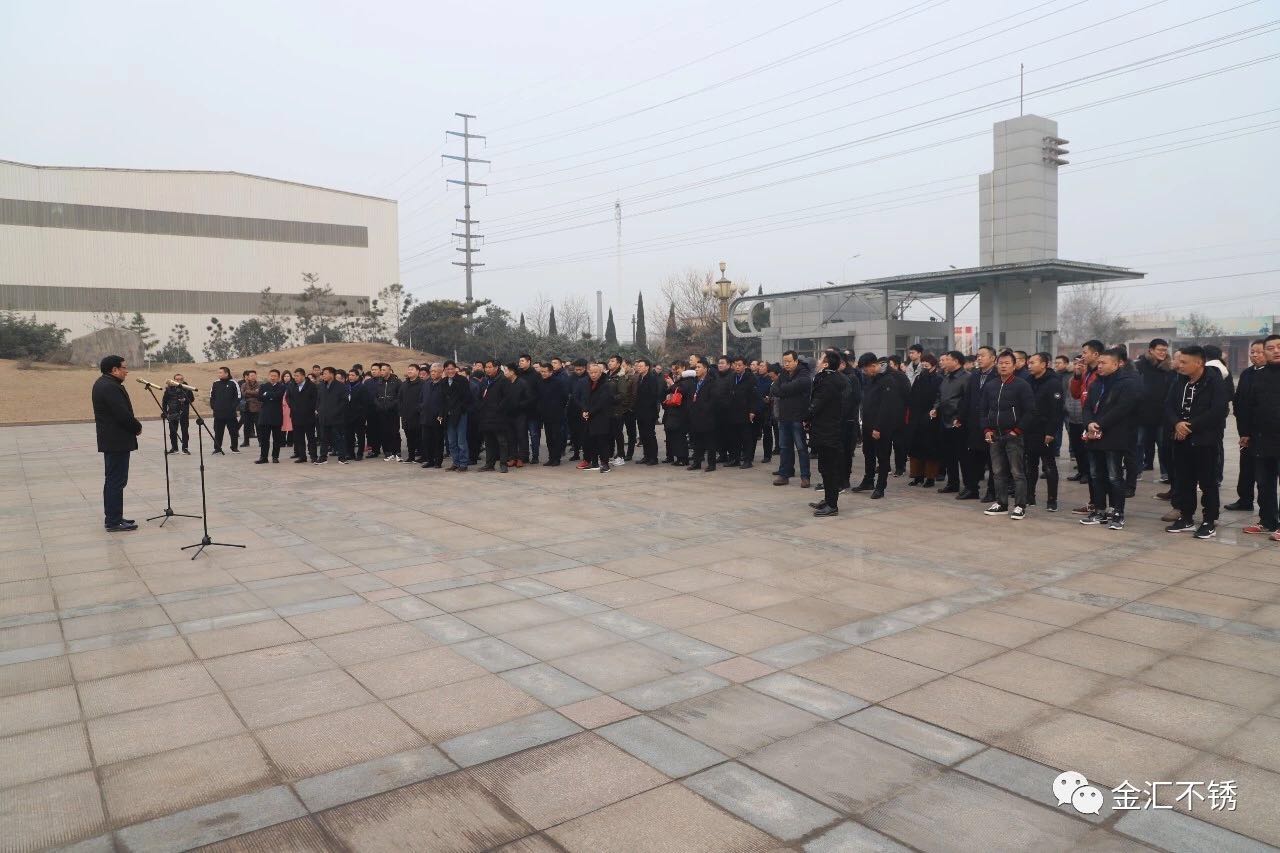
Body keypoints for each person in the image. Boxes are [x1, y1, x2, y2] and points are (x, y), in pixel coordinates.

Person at [1163, 345, 1229, 539]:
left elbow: (1218, 411)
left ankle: (1209, 520)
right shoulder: (1180, 381)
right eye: (1179, 361)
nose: (1179, 365)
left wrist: (1189, 426)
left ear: (1199, 363)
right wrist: (1176, 423)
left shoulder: (1214, 381)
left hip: (1205, 440)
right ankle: (1186, 517)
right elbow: (1168, 405)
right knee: (1184, 481)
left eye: (1184, 362)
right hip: (1180, 439)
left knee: (1208, 482)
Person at [1080, 347, 1139, 530]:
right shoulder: (1096, 383)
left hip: (1114, 436)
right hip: (1094, 436)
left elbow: (1122, 408)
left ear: (1116, 364)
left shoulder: (1127, 383)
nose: (1099, 366)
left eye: (1103, 363)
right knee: (1096, 475)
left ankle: (1117, 512)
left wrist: (1100, 424)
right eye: (1099, 362)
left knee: (1114, 476)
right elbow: (1087, 407)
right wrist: (1089, 423)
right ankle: (1099, 510)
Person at [979, 351, 1035, 519]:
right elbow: (982, 410)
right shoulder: (991, 385)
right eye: (1001, 363)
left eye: (1007, 363)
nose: (1003, 366)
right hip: (994, 435)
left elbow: (1030, 411)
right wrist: (986, 429)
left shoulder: (1022, 385)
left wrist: (1017, 430)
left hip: (1014, 435)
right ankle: (1001, 503)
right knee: (997, 471)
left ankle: (1020, 505)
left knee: (1017, 472)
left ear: (1014, 365)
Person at [92, 355, 143, 532]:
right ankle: (113, 521)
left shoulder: (105, 383)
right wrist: (137, 427)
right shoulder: (109, 386)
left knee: (114, 480)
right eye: (124, 368)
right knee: (116, 481)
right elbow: (121, 414)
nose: (126, 371)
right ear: (114, 369)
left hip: (113, 440)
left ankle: (115, 517)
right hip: (116, 440)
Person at [852, 353, 910, 499]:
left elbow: (887, 406)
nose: (865, 373)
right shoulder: (872, 377)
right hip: (868, 422)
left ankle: (880, 486)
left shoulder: (890, 378)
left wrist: (878, 427)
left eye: (866, 370)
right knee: (868, 453)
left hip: (882, 425)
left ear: (873, 365)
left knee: (882, 456)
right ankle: (868, 480)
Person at [1240, 334, 1280, 541]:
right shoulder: (1257, 376)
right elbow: (1248, 406)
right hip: (1261, 439)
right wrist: (1245, 433)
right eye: (1270, 348)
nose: (1276, 351)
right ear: (1264, 352)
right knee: (1264, 484)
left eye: (1279, 346)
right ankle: (1267, 521)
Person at [1226, 339, 1267, 512]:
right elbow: (1239, 400)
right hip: (1245, 430)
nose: (1255, 355)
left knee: (1264, 473)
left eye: (1259, 352)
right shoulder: (1246, 373)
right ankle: (1245, 500)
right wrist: (1243, 430)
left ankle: (1267, 508)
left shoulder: (1272, 374)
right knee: (1246, 468)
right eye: (1252, 352)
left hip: (1265, 433)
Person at [808, 351, 847, 517]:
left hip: (829, 430)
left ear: (826, 364)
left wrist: (805, 415)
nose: (818, 360)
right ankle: (828, 499)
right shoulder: (826, 378)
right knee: (824, 467)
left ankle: (832, 505)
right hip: (824, 428)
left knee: (830, 469)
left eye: (821, 358)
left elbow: (818, 403)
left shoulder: (829, 381)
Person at [1025, 352, 1064, 512]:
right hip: (1029, 429)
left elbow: (1057, 410)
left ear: (1043, 364)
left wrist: (1051, 432)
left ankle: (1052, 500)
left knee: (1049, 466)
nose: (1029, 365)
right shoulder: (1028, 381)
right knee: (1030, 465)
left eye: (1033, 362)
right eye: (1029, 362)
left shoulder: (1053, 383)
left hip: (1045, 430)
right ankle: (1029, 496)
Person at [1134, 339, 1173, 485]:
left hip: (1162, 414)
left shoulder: (1169, 368)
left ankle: (1166, 473)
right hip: (1141, 413)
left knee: (1163, 445)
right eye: (1160, 350)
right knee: (1138, 443)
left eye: (1165, 350)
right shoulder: (1139, 366)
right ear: (1151, 350)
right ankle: (1135, 472)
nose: (1163, 353)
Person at [931, 351, 969, 496]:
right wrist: (935, 408)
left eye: (947, 359)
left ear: (956, 361)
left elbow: (967, 401)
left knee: (963, 456)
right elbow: (940, 396)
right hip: (944, 420)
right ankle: (952, 483)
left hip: (958, 422)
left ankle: (969, 486)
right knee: (948, 455)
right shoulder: (946, 377)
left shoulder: (967, 378)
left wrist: (960, 417)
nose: (943, 362)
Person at [773, 350, 812, 488]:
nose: (786, 364)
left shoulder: (804, 373)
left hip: (798, 416)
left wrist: (784, 389)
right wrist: (788, 390)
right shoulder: (783, 373)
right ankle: (784, 474)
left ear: (796, 361)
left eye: (789, 361)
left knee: (801, 448)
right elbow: (774, 389)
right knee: (784, 447)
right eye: (785, 362)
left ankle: (805, 476)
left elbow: (801, 384)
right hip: (784, 416)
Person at [965, 346, 998, 502]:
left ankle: (992, 491)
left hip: (991, 424)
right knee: (973, 458)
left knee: (992, 460)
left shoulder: (998, 375)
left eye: (982, 355)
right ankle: (972, 489)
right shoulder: (974, 375)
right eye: (978, 355)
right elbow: (968, 397)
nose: (979, 358)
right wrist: (962, 417)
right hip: (974, 423)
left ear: (992, 358)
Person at [905, 353, 941, 487]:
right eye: (923, 364)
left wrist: (934, 410)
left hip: (931, 418)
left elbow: (939, 397)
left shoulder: (938, 379)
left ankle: (930, 477)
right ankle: (917, 476)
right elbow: (912, 396)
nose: (925, 366)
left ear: (934, 365)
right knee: (915, 447)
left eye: (927, 364)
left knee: (930, 448)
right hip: (916, 417)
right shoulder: (919, 377)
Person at [723, 355, 761, 468]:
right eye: (735, 365)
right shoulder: (731, 377)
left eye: (740, 365)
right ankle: (735, 459)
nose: (737, 367)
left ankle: (748, 460)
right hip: (732, 411)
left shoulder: (751, 378)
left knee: (746, 437)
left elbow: (754, 397)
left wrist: (752, 411)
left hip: (745, 412)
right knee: (733, 437)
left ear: (745, 366)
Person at [475, 359, 512, 472]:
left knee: (501, 441)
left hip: (498, 416)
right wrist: (481, 407)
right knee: (489, 441)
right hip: (486, 416)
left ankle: (503, 464)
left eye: (490, 367)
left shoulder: (503, 380)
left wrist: (498, 408)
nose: (487, 369)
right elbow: (479, 396)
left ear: (496, 368)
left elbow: (507, 398)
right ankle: (489, 464)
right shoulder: (485, 381)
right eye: (486, 367)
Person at [686, 360, 722, 472]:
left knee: (710, 442)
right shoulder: (694, 382)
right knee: (696, 441)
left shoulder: (711, 382)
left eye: (699, 367)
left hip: (707, 417)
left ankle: (711, 464)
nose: (696, 369)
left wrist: (704, 408)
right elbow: (690, 397)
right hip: (695, 416)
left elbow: (713, 400)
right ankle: (697, 463)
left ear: (705, 369)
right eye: (696, 367)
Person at [583, 362, 616, 473]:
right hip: (590, 417)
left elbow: (602, 402)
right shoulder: (588, 383)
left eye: (595, 372)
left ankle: (605, 464)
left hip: (602, 417)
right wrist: (584, 410)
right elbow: (585, 399)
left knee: (602, 442)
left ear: (600, 372)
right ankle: (594, 462)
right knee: (591, 441)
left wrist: (590, 412)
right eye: (591, 373)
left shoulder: (606, 384)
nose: (593, 375)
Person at [536, 361, 571, 466]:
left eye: (545, 372)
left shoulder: (558, 382)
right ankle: (551, 458)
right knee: (549, 438)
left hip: (557, 414)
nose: (543, 373)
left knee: (557, 437)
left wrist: (558, 408)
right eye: (542, 371)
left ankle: (556, 458)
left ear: (551, 372)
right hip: (545, 415)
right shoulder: (540, 382)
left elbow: (565, 397)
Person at [440, 360, 471, 472]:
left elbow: (467, 398)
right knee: (451, 441)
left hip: (460, 414)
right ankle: (456, 462)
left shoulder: (462, 380)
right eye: (448, 369)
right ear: (444, 370)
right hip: (448, 415)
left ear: (455, 369)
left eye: (452, 368)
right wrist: (441, 413)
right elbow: (442, 399)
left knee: (461, 441)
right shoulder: (443, 381)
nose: (450, 371)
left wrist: (460, 409)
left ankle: (463, 463)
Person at [632, 358, 663, 465]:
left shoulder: (652, 378)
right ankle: (646, 456)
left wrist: (645, 406)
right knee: (643, 435)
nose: (638, 368)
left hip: (649, 412)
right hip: (640, 412)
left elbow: (654, 395)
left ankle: (653, 458)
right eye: (638, 366)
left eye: (641, 366)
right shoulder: (640, 378)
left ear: (647, 367)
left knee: (650, 435)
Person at [286, 368, 318, 463]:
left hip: (308, 415)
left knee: (311, 437)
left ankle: (313, 456)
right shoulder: (292, 385)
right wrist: (293, 407)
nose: (295, 378)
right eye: (294, 376)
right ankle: (302, 456)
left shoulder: (311, 386)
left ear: (303, 376)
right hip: (296, 415)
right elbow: (288, 398)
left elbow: (315, 399)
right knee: (299, 437)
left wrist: (307, 408)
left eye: (297, 376)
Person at [661, 363, 691, 466]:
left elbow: (683, 391)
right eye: (674, 369)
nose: (675, 371)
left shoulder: (688, 379)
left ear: (684, 368)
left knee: (680, 436)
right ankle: (678, 457)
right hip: (674, 411)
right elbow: (669, 390)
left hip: (681, 412)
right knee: (675, 435)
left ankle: (683, 458)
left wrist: (672, 384)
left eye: (678, 369)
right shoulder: (678, 379)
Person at [254, 369, 286, 464]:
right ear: (268, 376)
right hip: (265, 415)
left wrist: (267, 394)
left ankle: (275, 457)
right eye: (271, 375)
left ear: (278, 377)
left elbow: (278, 396)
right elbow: (260, 397)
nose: (273, 378)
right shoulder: (263, 386)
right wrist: (271, 396)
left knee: (277, 439)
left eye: (275, 376)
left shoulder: (282, 386)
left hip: (277, 415)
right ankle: (263, 457)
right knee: (264, 439)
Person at [209, 366, 241, 454]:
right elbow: (211, 396)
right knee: (218, 432)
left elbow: (238, 396)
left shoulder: (233, 383)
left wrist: (232, 407)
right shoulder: (215, 383)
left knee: (233, 431)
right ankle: (217, 448)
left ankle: (234, 447)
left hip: (230, 413)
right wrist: (214, 407)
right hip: (218, 413)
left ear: (226, 373)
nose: (219, 374)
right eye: (218, 372)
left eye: (220, 372)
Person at [419, 363, 446, 469]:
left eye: (435, 371)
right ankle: (429, 460)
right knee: (426, 440)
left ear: (440, 372)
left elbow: (445, 402)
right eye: (431, 371)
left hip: (438, 417)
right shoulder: (426, 384)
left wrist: (441, 414)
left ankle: (438, 461)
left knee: (437, 440)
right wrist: (421, 407)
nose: (433, 373)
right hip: (425, 416)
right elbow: (421, 398)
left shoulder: (444, 384)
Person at [375, 364, 402, 461]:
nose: (381, 372)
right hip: (381, 411)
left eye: (384, 370)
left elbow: (399, 396)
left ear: (389, 370)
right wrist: (379, 405)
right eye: (381, 370)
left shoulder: (397, 382)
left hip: (393, 411)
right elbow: (375, 396)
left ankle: (397, 451)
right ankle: (387, 451)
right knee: (384, 431)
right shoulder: (379, 382)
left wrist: (392, 404)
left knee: (394, 431)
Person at [162, 374, 193, 455]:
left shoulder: (187, 388)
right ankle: (174, 448)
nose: (179, 381)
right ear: (174, 380)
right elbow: (164, 401)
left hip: (183, 412)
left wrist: (185, 400)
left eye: (181, 379)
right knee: (172, 431)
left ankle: (185, 448)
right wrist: (164, 411)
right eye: (177, 379)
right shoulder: (168, 389)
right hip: (172, 412)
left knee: (184, 431)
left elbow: (192, 399)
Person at [753, 360, 775, 464]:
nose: (759, 368)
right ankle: (749, 455)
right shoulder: (756, 378)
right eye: (759, 366)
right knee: (753, 434)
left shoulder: (770, 380)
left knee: (767, 434)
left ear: (767, 368)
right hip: (756, 409)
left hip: (766, 410)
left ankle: (767, 455)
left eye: (762, 366)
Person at [567, 359, 589, 461]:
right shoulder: (571, 378)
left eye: (580, 369)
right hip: (573, 409)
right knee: (574, 433)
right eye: (576, 369)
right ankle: (576, 453)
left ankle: (586, 453)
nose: (578, 371)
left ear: (585, 368)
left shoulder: (588, 378)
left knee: (584, 433)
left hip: (585, 409)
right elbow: (568, 391)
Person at [240, 370, 260, 446]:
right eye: (251, 376)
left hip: (257, 408)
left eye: (254, 375)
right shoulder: (244, 385)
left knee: (258, 426)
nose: (253, 377)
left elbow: (259, 394)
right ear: (248, 377)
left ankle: (261, 441)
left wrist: (248, 392)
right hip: (247, 408)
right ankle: (246, 442)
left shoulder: (260, 385)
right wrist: (254, 392)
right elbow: (243, 394)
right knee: (246, 426)